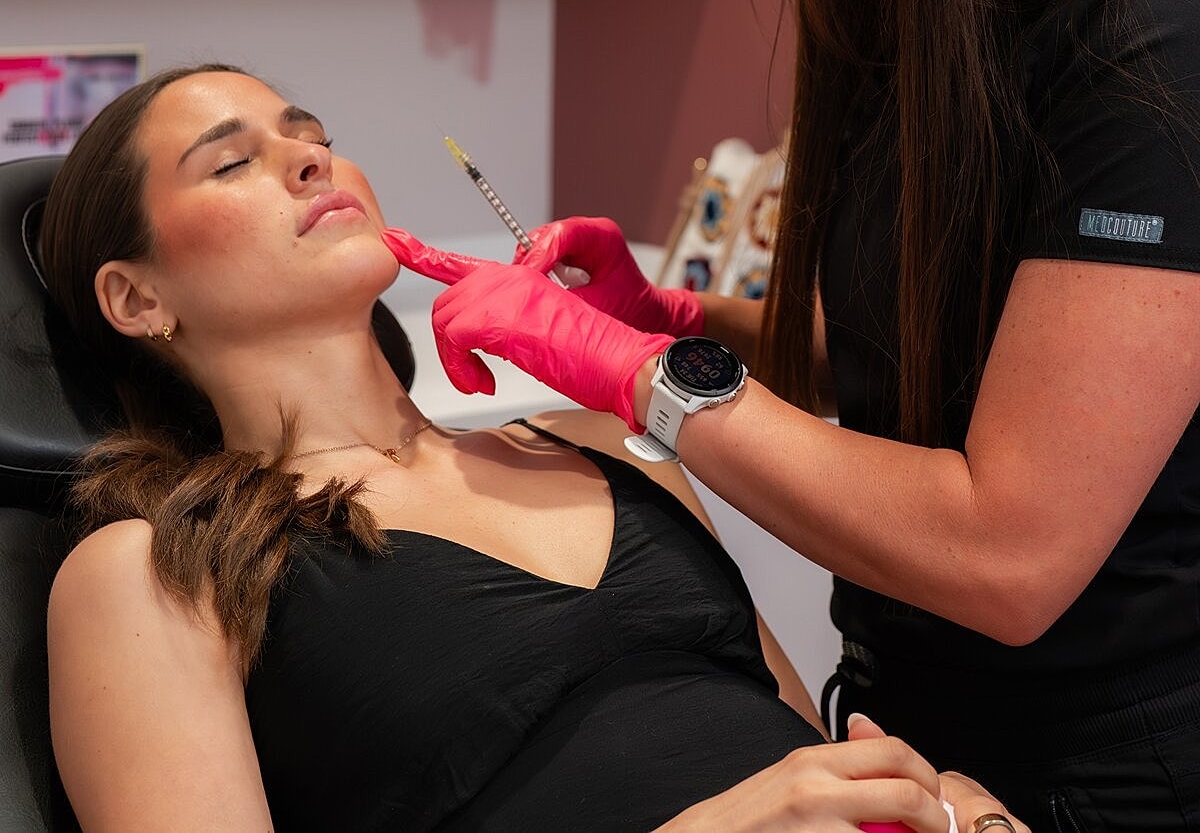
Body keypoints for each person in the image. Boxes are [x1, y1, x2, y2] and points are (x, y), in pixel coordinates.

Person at [387, 0, 1200, 830]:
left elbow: (1011, 543)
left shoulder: (1149, 32)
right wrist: (689, 319)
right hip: (902, 746)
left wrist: (648, 380)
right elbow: (919, 367)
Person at [39, 64, 1024, 833]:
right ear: (137, 297)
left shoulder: (612, 442)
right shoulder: (159, 570)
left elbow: (814, 759)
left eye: (314, 139)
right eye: (230, 161)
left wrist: (945, 803)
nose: (311, 163)